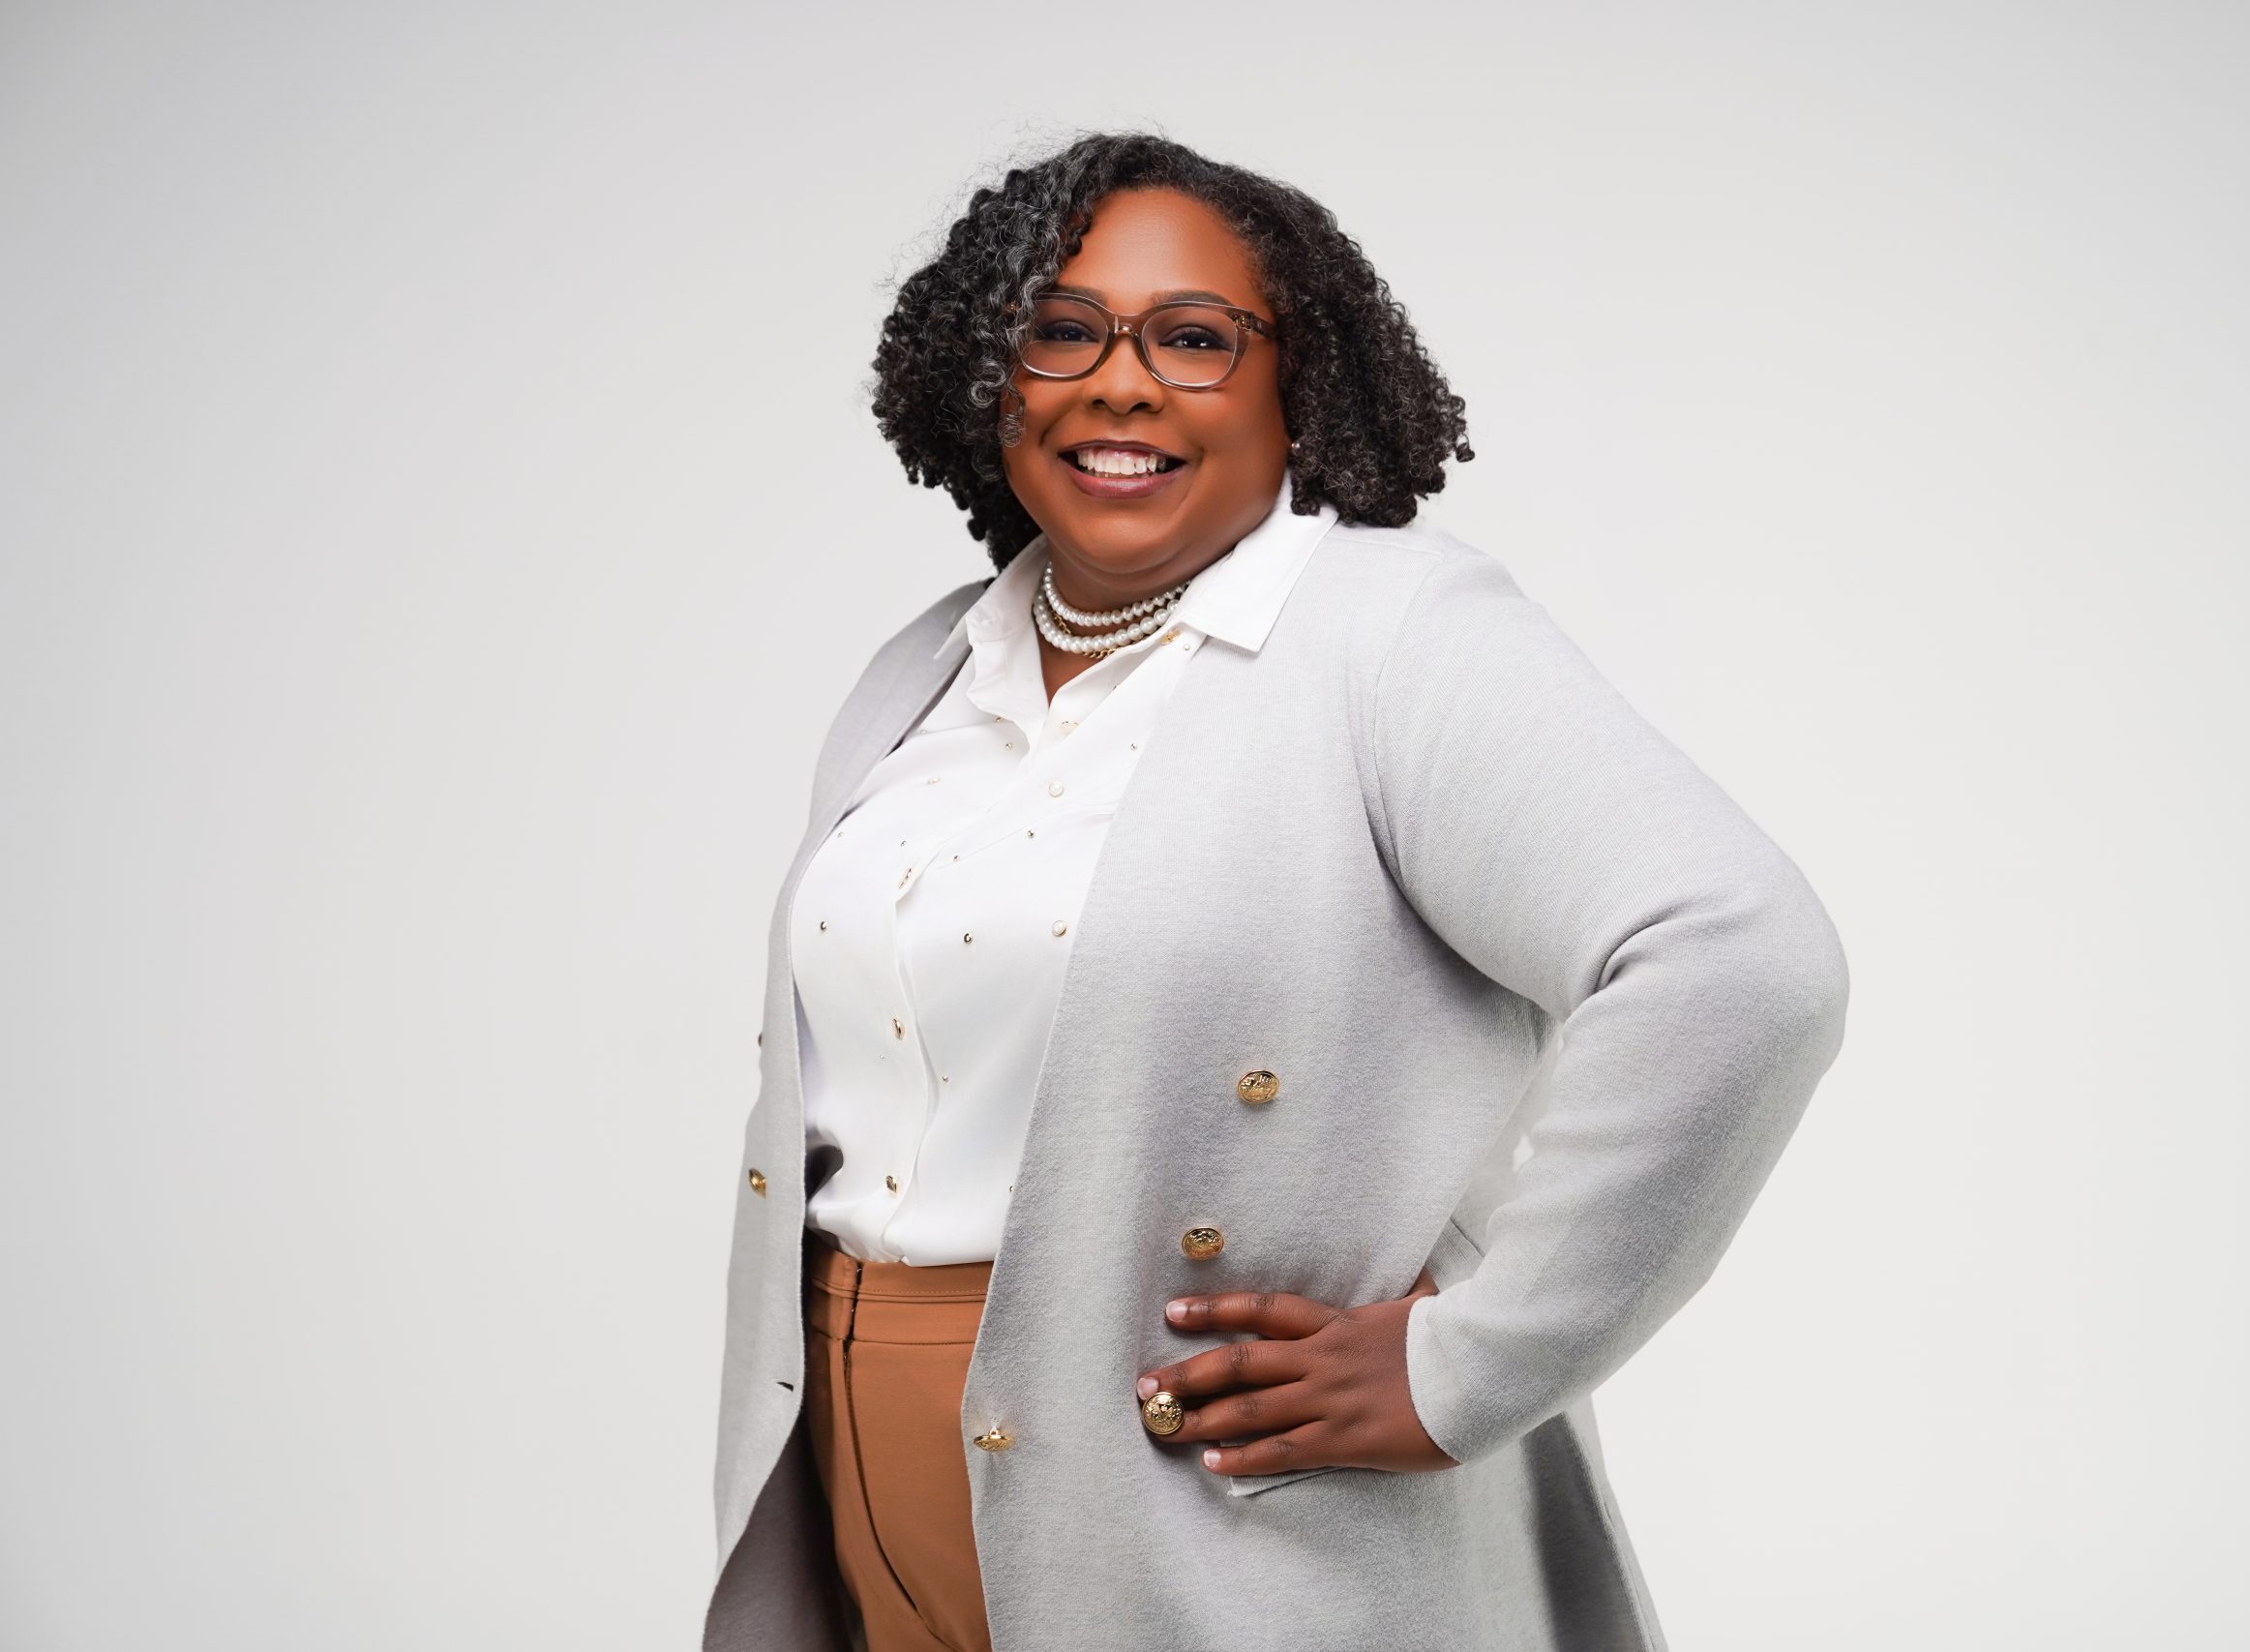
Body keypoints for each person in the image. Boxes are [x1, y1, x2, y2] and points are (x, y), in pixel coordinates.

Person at [705, 131, 1850, 1652]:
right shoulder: (923, 667)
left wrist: (1468, 1366)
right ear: (990, 376)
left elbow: (1739, 959)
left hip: (1213, 1509)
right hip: (858, 1488)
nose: (1121, 384)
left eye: (1193, 339)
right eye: (1061, 331)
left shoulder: (1394, 637)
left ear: (1295, 380)